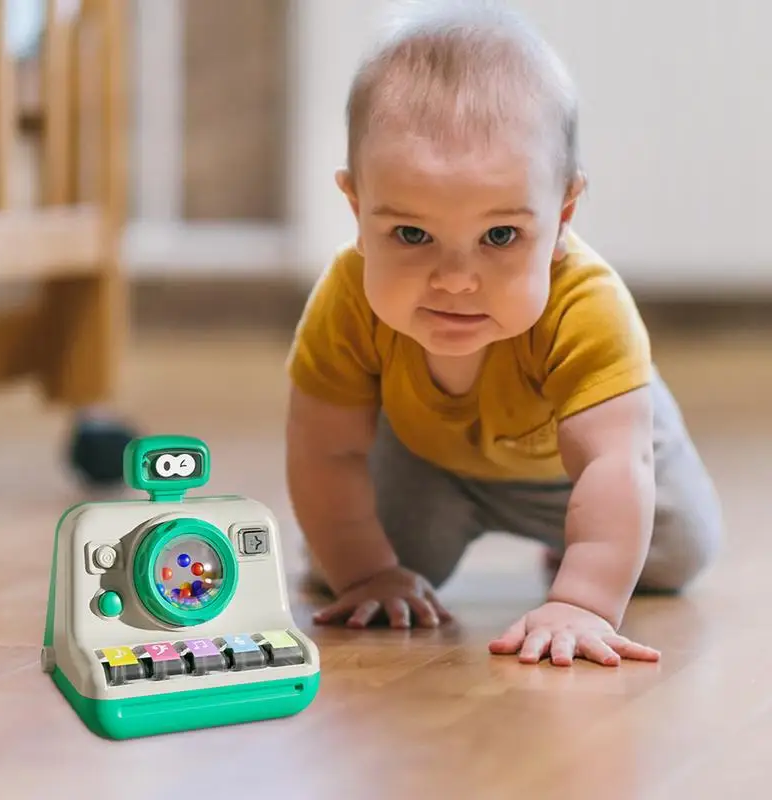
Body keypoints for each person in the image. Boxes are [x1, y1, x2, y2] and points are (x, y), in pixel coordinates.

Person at [284, 0, 722, 667]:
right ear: (356, 207)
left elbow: (612, 464)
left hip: (588, 464)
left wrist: (582, 602)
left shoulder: (588, 306)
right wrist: (365, 571)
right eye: (411, 234)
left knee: (674, 552)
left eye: (499, 236)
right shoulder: (345, 303)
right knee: (354, 561)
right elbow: (324, 453)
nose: (456, 280)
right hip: (429, 465)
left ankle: (572, 548)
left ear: (563, 215)